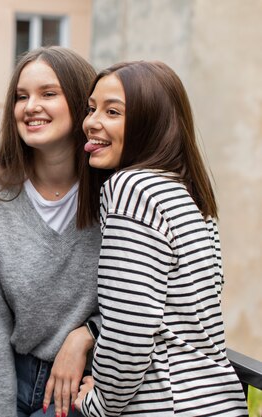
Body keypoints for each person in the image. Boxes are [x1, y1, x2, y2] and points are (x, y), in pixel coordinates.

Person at [75, 60, 249, 416]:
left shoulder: (132, 189)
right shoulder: (190, 193)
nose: (92, 122)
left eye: (112, 112)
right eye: (92, 109)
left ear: (150, 123)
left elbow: (128, 335)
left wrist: (100, 403)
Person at [0, 46, 111, 417]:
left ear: (83, 103)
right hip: (7, 379)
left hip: (86, 387)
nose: (30, 106)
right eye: (21, 96)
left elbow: (148, 296)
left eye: (48, 93)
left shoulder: (116, 192)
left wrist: (89, 334)